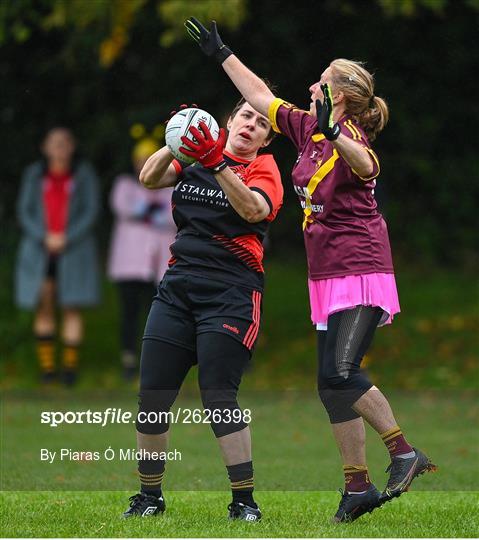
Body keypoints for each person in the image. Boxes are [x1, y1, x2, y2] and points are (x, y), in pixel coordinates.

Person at [184, 18, 437, 522]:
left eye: (320, 81)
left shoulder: (349, 135)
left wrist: (332, 132)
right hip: (326, 276)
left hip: (362, 267)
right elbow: (258, 94)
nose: (310, 86)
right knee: (329, 384)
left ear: (339, 96)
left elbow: (365, 166)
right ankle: (358, 486)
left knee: (340, 372)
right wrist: (222, 54)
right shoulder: (306, 125)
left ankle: (404, 452)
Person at [122, 100, 283, 521]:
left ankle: (244, 501)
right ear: (229, 121)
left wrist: (217, 164)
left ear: (267, 138)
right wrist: (178, 138)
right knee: (152, 396)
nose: (252, 125)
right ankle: (149, 497)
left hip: (231, 293)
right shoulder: (196, 155)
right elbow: (149, 177)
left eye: (262, 123)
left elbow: (254, 209)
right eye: (246, 115)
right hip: (178, 288)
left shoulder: (263, 169)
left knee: (218, 396)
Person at [15, 127, 100, 386]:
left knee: (71, 305)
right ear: (45, 147)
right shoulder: (34, 175)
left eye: (64, 143)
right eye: (54, 143)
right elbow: (24, 211)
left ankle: (70, 371)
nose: (59, 148)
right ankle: (47, 370)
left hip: (74, 250)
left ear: (72, 146)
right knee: (44, 302)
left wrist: (67, 237)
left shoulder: (83, 175)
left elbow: (90, 210)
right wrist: (45, 236)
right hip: (40, 250)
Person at [108, 129, 176, 380]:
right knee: (130, 313)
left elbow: (172, 217)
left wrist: (145, 212)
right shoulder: (124, 185)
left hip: (159, 267)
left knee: (156, 315)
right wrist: (152, 211)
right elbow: (124, 207)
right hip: (129, 265)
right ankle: (128, 358)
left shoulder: (169, 188)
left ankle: (155, 360)